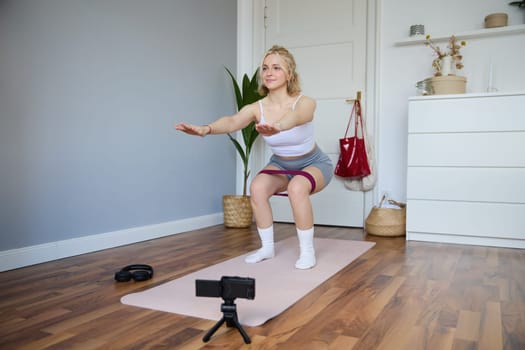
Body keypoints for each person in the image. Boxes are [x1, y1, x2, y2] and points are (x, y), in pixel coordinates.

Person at [175, 45, 333, 269]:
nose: (269, 72)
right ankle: (267, 248)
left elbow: (297, 117)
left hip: (314, 163)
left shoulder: (305, 102)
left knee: (297, 188)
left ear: (290, 74)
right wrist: (206, 129)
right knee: (257, 187)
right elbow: (232, 121)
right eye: (265, 68)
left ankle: (307, 252)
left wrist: (278, 126)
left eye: (277, 68)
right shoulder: (257, 107)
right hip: (281, 164)